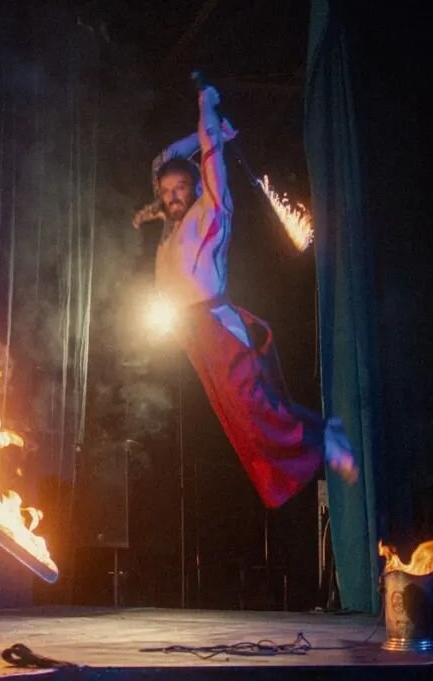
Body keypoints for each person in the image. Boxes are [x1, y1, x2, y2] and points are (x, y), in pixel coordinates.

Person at [132, 82, 358, 508]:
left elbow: (207, 154)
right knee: (239, 417)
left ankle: (323, 436)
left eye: (179, 187)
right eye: (165, 193)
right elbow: (162, 161)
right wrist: (198, 142)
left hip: (215, 323)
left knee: (253, 404)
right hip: (190, 331)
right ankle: (319, 432)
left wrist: (207, 110)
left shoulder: (212, 209)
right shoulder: (170, 224)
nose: (170, 196)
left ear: (196, 185)